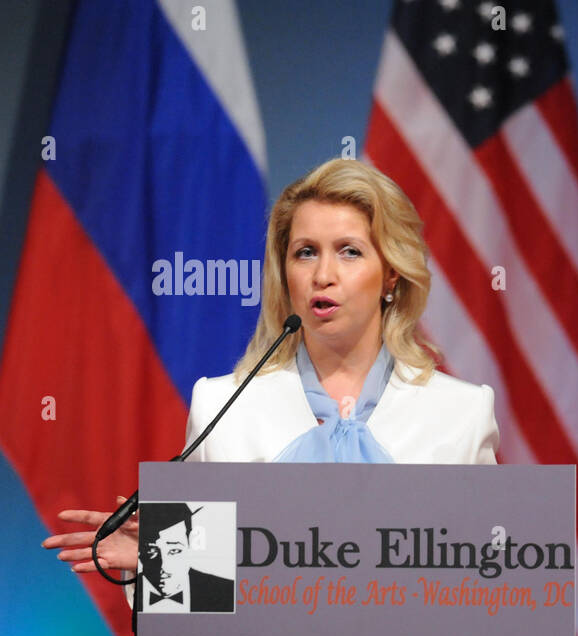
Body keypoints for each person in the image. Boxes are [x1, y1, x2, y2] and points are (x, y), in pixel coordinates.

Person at [44, 158, 500, 581]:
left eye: (349, 252)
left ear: (392, 275)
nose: (323, 274)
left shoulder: (461, 413)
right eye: (305, 252)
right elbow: (206, 593)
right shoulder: (223, 407)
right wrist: (160, 557)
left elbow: (489, 578)